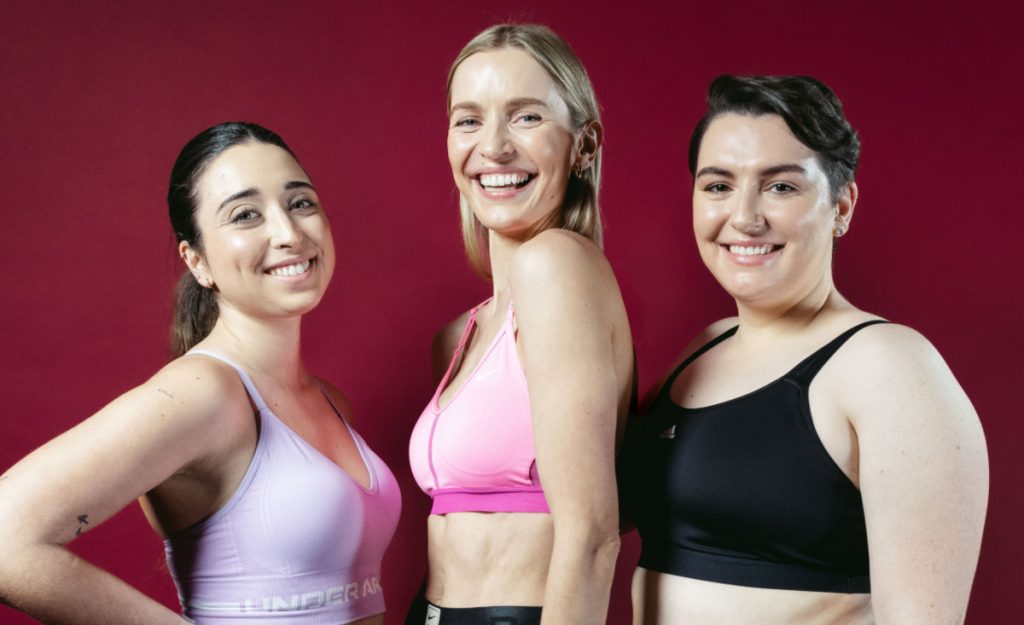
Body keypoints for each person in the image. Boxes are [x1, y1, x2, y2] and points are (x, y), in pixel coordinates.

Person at [621, 75, 989, 625]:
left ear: (841, 206)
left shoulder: (890, 366)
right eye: (718, 186)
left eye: (781, 187)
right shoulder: (703, 350)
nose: (743, 217)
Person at [0, 122, 401, 625]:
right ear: (197, 261)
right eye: (246, 215)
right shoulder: (204, 392)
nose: (288, 233)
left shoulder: (328, 401)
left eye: (300, 203)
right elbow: (5, 539)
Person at [406, 24, 634, 625]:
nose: (494, 147)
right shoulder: (459, 335)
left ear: (584, 145)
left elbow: (591, 538)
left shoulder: (556, 267)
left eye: (526, 118)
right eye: (469, 119)